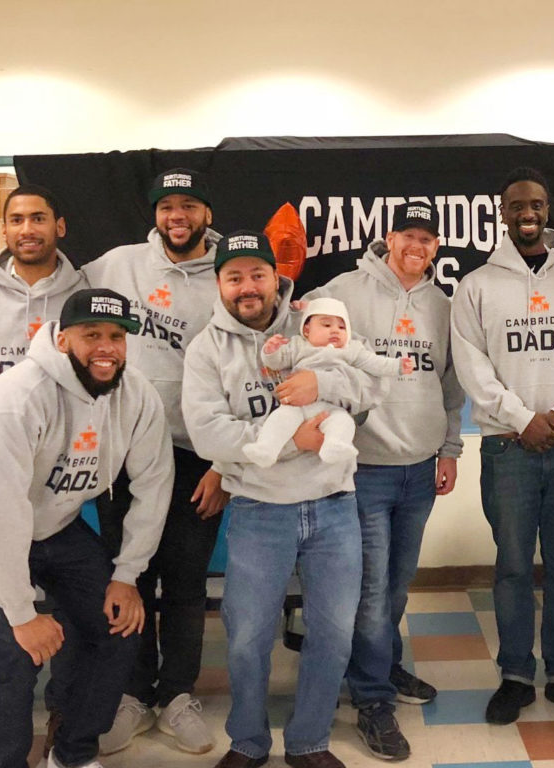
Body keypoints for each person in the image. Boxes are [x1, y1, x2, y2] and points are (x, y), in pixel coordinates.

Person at [182, 230, 387, 768]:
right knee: (247, 637)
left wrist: (323, 389)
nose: (247, 287)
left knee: (333, 631)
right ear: (219, 284)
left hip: (333, 506)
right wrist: (290, 442)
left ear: (277, 278)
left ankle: (309, 741)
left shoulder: (315, 320)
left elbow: (370, 389)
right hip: (257, 510)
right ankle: (248, 742)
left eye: (257, 275)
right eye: (235, 277)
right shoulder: (207, 347)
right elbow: (207, 433)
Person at [0, 288, 173, 768]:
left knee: (121, 627)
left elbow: (155, 482)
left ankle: (73, 753)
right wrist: (22, 614)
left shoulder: (135, 393)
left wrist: (127, 574)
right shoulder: (19, 395)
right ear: (60, 339)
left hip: (55, 527)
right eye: (91, 335)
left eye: (117, 337)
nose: (106, 348)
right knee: (15, 655)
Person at [303, 200, 463, 760]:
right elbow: (310, 352)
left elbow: (451, 383)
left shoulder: (443, 303)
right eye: (407, 237)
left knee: (396, 584)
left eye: (427, 239)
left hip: (419, 467)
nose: (416, 247)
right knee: (370, 593)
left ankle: (383, 668)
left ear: (436, 248)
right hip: (364, 467)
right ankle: (372, 698)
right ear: (387, 239)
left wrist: (449, 449)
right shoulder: (344, 291)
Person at [451, 167, 554, 726]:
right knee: (514, 566)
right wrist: (523, 420)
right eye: (517, 204)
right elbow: (473, 366)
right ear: (501, 210)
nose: (528, 212)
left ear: (548, 209)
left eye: (537, 204)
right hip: (506, 447)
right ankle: (515, 675)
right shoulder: (475, 286)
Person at [82, 168, 229, 754]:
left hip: (198, 455)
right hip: (122, 453)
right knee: (129, 575)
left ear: (206, 214)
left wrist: (226, 465)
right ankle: (133, 694)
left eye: (189, 205)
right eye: (167, 206)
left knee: (188, 583)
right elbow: (54, 294)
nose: (177, 217)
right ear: (156, 215)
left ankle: (176, 696)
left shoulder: (226, 276)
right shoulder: (115, 265)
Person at [0, 184, 86, 759]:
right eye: (17, 220)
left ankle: (64, 712)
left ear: (58, 225)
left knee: (67, 613)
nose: (28, 228)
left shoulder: (86, 291)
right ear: (4, 231)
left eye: (39, 217)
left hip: (66, 488)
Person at [244, 297, 412, 468]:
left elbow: (376, 363)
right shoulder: (298, 345)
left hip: (331, 407)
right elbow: (276, 362)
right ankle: (266, 449)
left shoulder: (352, 349)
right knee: (279, 419)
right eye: (326, 325)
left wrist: (398, 366)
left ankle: (335, 447)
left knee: (343, 422)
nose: (335, 331)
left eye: (342, 327)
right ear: (307, 330)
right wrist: (270, 351)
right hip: (296, 406)